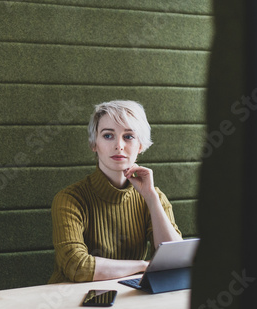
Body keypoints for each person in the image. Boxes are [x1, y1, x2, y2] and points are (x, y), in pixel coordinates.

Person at [48, 100, 182, 283]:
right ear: (94, 144)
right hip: (72, 301)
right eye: (108, 136)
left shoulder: (154, 196)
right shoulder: (69, 199)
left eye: (129, 136)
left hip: (128, 297)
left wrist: (151, 198)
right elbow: (77, 267)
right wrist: (144, 266)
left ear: (140, 146)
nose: (119, 145)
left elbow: (175, 260)